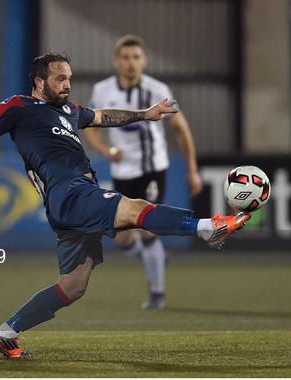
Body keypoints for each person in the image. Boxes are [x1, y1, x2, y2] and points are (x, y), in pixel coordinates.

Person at [0, 53, 249, 359]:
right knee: (135, 208)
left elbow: (105, 117)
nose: (67, 84)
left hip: (73, 199)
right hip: (70, 193)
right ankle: (206, 227)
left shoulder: (70, 112)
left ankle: (6, 332)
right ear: (39, 81)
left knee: (74, 285)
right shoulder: (18, 106)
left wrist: (146, 115)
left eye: (69, 78)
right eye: (60, 79)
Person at [84, 35, 203, 310]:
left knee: (148, 228)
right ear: (116, 61)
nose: (130, 63)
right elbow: (89, 124)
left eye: (136, 57)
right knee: (123, 239)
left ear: (144, 60)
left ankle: (157, 293)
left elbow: (181, 129)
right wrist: (105, 151)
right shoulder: (102, 90)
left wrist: (192, 170)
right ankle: (156, 256)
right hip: (122, 171)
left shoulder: (157, 89)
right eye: (125, 57)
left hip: (152, 170)